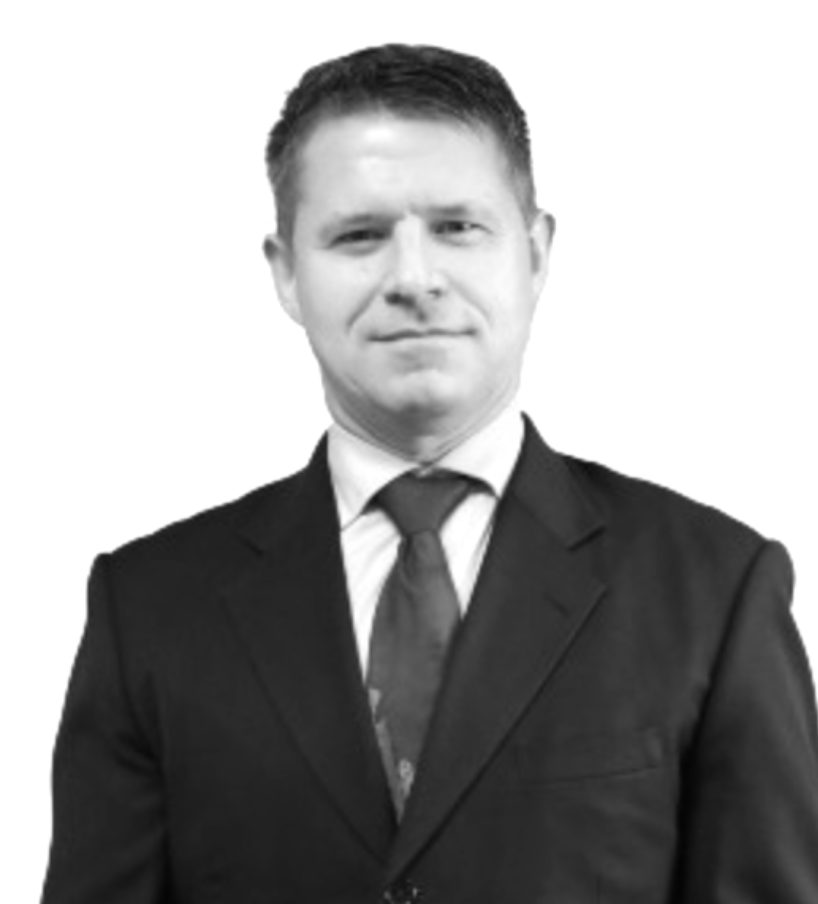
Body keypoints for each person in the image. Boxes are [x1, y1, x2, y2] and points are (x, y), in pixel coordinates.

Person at [41, 44, 818, 904]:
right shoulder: (149, 609)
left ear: (536, 254)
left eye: (457, 227)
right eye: (359, 236)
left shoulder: (714, 591)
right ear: (287, 272)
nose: (414, 278)